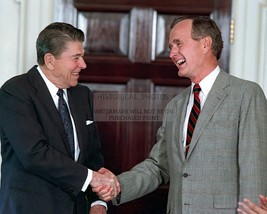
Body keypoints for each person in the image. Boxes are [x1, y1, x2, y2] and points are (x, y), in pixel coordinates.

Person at [94, 15, 267, 213]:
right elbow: (159, 166)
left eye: (178, 44)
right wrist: (117, 185)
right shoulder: (175, 106)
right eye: (170, 47)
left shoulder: (246, 94)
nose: (172, 53)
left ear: (205, 44)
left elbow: (254, 168)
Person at [0, 22, 119, 214]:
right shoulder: (15, 92)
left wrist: (98, 203)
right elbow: (34, 153)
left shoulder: (82, 94)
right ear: (50, 60)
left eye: (82, 56)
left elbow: (92, 157)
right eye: (76, 58)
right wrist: (93, 178)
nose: (83, 64)